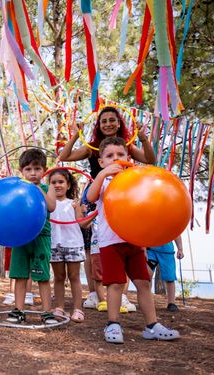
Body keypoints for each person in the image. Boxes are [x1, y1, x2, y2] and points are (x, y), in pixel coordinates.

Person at [60, 106, 155, 312]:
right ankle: (95, 292)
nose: (108, 124)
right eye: (104, 121)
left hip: (123, 197)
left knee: (125, 241)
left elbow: (150, 160)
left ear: (119, 123)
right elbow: (64, 157)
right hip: (99, 195)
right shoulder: (92, 148)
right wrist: (76, 135)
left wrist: (145, 139)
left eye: (112, 120)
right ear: (98, 125)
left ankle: (123, 296)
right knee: (92, 246)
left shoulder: (126, 147)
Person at [86, 137, 179, 344]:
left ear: (129, 158)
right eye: (109, 156)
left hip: (134, 241)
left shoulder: (135, 180)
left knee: (143, 282)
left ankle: (152, 325)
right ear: (101, 162)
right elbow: (90, 198)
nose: (116, 159)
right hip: (110, 242)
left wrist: (144, 242)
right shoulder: (103, 181)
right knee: (116, 284)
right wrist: (101, 176)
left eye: (120, 155)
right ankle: (112, 324)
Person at [5, 149, 57, 324]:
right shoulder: (18, 190)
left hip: (41, 236)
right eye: (28, 169)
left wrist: (37, 190)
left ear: (44, 170)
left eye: (37, 168)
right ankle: (18, 310)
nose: (33, 173)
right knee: (20, 275)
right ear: (21, 171)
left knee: (42, 275)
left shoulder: (46, 187)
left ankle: (46, 312)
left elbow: (51, 207)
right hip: (20, 238)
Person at [48, 169, 91, 323]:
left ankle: (77, 309)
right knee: (58, 277)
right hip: (54, 244)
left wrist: (92, 215)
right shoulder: (47, 204)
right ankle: (59, 307)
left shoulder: (74, 203)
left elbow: (82, 224)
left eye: (61, 182)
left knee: (74, 277)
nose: (57, 185)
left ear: (68, 185)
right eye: (53, 182)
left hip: (73, 244)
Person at [147, 236, 185, 312]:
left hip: (167, 251)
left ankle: (171, 303)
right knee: (147, 276)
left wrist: (180, 249)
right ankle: (146, 301)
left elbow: (176, 233)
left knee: (170, 278)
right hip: (150, 250)